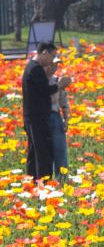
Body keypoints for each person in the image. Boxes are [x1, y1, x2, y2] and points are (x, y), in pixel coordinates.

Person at [22, 42, 71, 181]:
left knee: (34, 153)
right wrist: (59, 85)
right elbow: (45, 91)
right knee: (43, 153)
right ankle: (45, 184)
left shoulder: (32, 67)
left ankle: (33, 181)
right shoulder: (35, 69)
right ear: (44, 52)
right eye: (52, 56)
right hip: (38, 118)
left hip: (33, 117)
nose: (52, 60)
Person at [45, 58, 70, 179]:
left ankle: (62, 181)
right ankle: (46, 181)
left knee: (60, 151)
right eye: (52, 65)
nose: (54, 67)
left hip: (55, 117)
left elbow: (64, 103)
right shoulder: (39, 81)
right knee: (44, 152)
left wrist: (66, 120)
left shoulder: (58, 81)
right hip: (42, 118)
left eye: (56, 65)